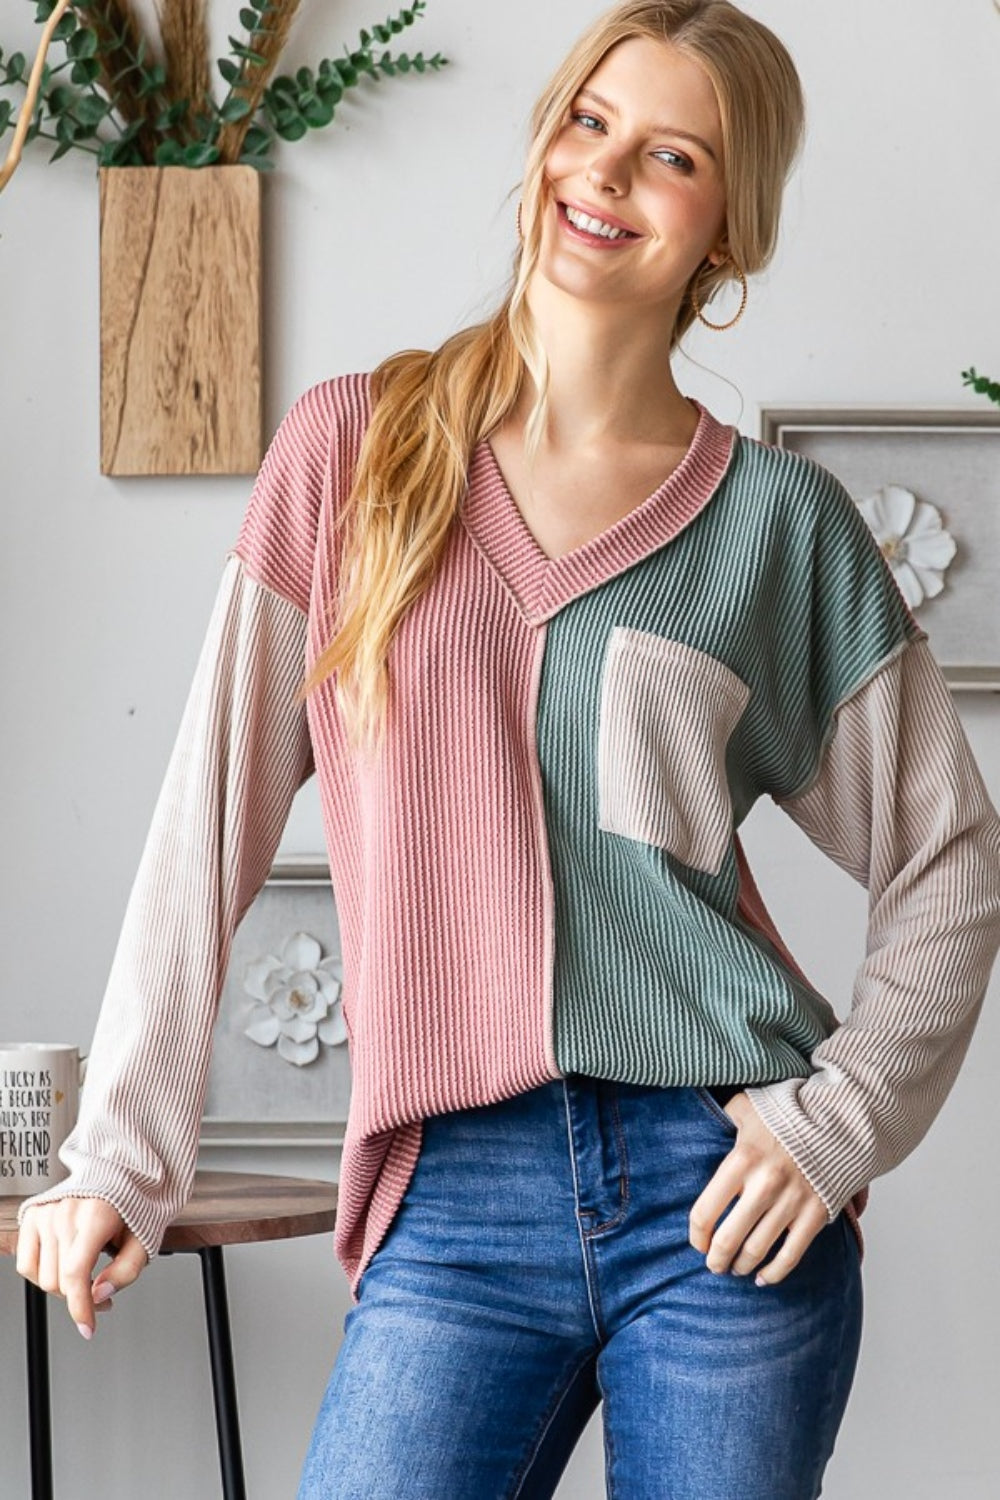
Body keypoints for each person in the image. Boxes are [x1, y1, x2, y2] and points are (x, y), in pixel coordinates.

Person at [15, 2, 1000, 1495]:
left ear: (729, 230)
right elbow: (201, 826)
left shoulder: (779, 530)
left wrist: (837, 1126)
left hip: (721, 1187)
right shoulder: (351, 452)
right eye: (589, 122)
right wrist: (120, 1161)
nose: (603, 175)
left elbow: (951, 857)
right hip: (450, 1205)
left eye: (670, 154)